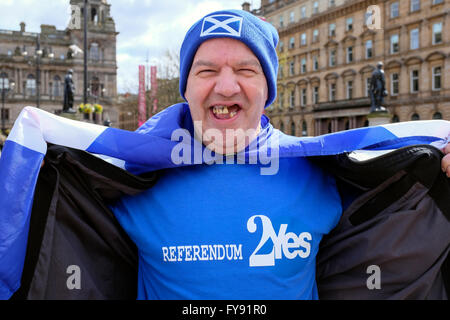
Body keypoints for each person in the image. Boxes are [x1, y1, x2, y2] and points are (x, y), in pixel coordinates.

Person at [110, 9, 340, 299]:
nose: (227, 87)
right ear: (187, 88)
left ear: (267, 88)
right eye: (207, 71)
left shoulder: (324, 174)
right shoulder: (130, 176)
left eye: (246, 71)